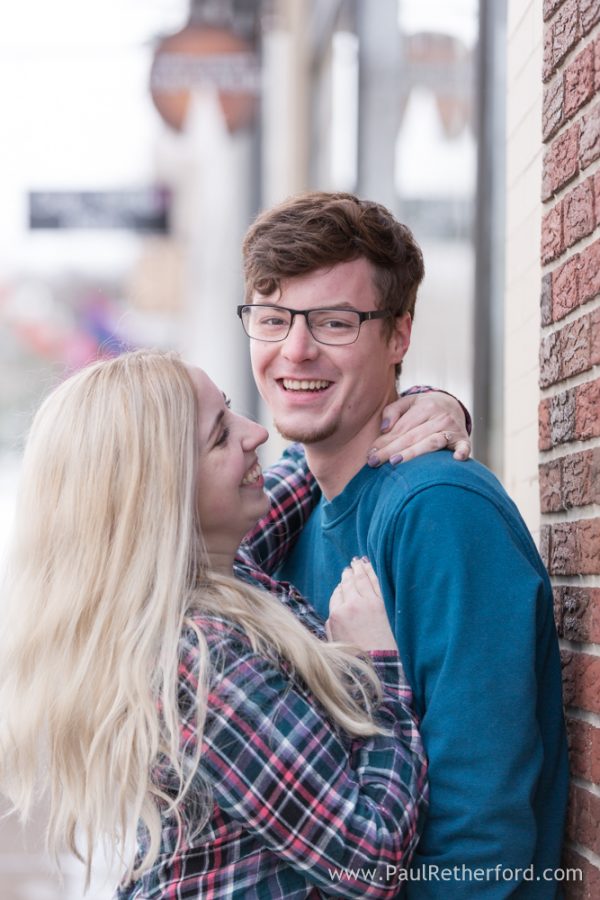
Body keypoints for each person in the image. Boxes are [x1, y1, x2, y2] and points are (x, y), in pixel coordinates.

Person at [0, 350, 432, 899]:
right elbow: (371, 859)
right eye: (220, 436)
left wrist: (415, 410)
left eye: (230, 411)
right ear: (165, 494)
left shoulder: (210, 563)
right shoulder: (198, 662)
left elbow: (315, 465)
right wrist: (374, 666)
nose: (255, 433)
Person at [238, 191, 569, 897]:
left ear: (398, 335)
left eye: (334, 322)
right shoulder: (285, 523)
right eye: (273, 320)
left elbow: (480, 847)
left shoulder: (438, 513)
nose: (295, 349)